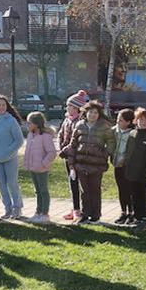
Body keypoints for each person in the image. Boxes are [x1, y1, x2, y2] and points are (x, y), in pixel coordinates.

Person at [61, 100, 113, 223]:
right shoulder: (79, 125)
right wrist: (71, 163)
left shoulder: (104, 127)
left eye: (95, 113)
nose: (93, 115)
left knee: (95, 190)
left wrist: (104, 154)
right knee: (84, 191)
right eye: (90, 112)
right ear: (86, 113)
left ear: (99, 114)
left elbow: (111, 143)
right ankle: (85, 213)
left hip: (97, 164)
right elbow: (73, 144)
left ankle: (95, 215)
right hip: (81, 164)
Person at [123, 107, 146, 229]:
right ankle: (137, 216)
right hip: (132, 172)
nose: (142, 122)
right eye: (140, 119)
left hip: (144, 173)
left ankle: (143, 218)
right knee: (134, 195)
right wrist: (127, 167)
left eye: (145, 120)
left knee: (142, 195)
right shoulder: (132, 133)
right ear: (135, 120)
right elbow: (128, 153)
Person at [22, 111, 57, 223]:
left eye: (29, 123)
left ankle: (44, 214)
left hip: (41, 169)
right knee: (37, 191)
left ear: (36, 124)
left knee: (43, 191)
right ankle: (38, 212)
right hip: (32, 168)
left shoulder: (45, 136)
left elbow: (51, 153)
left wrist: (43, 164)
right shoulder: (30, 135)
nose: (27, 125)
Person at [59, 90, 89, 220]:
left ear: (77, 108)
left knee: (78, 183)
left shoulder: (80, 122)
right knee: (72, 183)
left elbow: (76, 141)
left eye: (70, 106)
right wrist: (61, 147)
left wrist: (66, 149)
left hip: (77, 157)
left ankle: (80, 209)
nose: (67, 108)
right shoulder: (67, 120)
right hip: (67, 157)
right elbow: (61, 134)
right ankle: (74, 207)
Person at [111, 108, 137, 224]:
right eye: (117, 120)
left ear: (128, 122)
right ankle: (123, 212)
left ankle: (132, 212)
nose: (118, 122)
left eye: (121, 120)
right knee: (121, 189)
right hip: (117, 164)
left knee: (130, 189)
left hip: (129, 165)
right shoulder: (114, 131)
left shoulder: (134, 133)